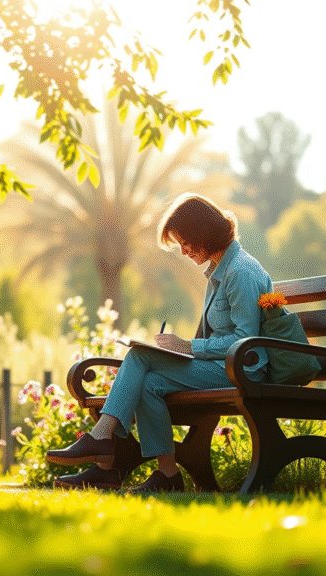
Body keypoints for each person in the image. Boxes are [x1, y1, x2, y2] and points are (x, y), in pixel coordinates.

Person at [46, 193, 273, 492]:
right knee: (149, 381)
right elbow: (222, 336)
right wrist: (177, 348)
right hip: (221, 365)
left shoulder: (240, 272)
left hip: (241, 370)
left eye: (185, 242)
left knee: (140, 359)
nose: (183, 251)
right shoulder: (221, 270)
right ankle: (165, 475)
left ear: (202, 233)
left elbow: (245, 341)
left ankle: (102, 447)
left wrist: (188, 347)